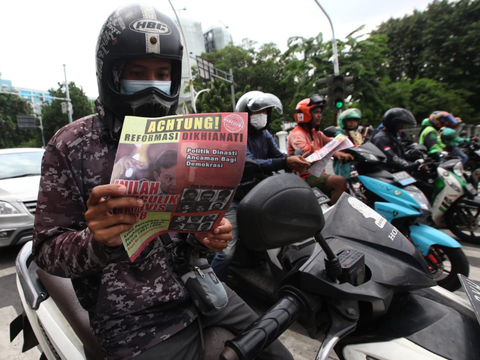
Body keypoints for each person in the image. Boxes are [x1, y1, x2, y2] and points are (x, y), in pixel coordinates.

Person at [32, 5, 292, 360]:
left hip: (200, 287)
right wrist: (98, 241)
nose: (151, 83)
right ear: (110, 73)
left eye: (161, 73)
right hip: (132, 319)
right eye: (137, 72)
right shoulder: (70, 145)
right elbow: (46, 251)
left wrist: (206, 236)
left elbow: (186, 228)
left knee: (279, 356)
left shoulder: (190, 133)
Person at [210, 90, 311, 282]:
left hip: (259, 195)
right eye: (258, 112)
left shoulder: (265, 134)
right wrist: (285, 163)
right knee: (225, 252)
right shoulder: (236, 136)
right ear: (245, 114)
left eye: (266, 111)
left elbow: (278, 156)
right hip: (236, 198)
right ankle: (213, 287)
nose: (262, 116)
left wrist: (293, 160)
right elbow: (250, 161)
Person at [287, 95, 351, 204]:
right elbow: (308, 151)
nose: (320, 116)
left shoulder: (317, 133)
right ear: (306, 114)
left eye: (320, 112)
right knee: (339, 181)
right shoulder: (297, 134)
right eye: (316, 112)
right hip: (304, 177)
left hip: (319, 175)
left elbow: (332, 143)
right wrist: (335, 154)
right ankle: (333, 217)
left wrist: (350, 143)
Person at [371, 108, 433, 199]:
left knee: (426, 182)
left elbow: (402, 155)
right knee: (426, 189)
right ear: (393, 123)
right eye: (400, 124)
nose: (401, 127)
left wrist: (416, 157)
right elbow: (392, 159)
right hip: (390, 174)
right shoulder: (381, 138)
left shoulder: (394, 135)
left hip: (398, 172)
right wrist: (415, 164)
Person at [334, 108, 364, 179]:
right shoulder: (340, 133)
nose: (352, 122)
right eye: (349, 120)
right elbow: (345, 146)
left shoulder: (357, 134)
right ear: (343, 122)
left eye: (355, 120)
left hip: (356, 162)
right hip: (344, 164)